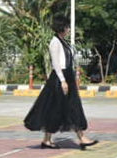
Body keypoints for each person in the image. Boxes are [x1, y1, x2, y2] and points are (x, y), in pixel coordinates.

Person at [24, 16, 98, 150]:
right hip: (60, 78)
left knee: (65, 108)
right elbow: (56, 63)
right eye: (67, 27)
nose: (69, 29)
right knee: (63, 108)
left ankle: (49, 140)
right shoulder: (55, 42)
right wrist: (63, 81)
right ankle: (81, 138)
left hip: (67, 76)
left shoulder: (63, 41)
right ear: (61, 27)